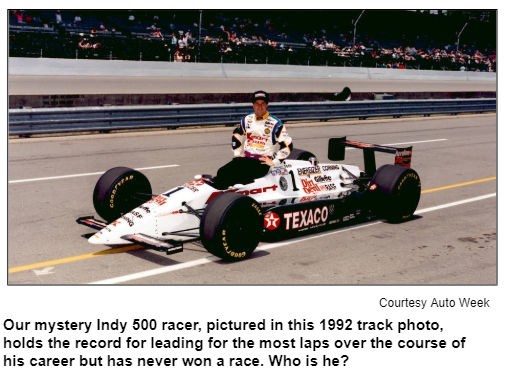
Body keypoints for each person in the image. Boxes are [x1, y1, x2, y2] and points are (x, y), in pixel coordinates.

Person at [212, 90, 293, 190]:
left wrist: (274, 162)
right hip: (246, 158)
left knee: (237, 178)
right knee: (222, 172)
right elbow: (237, 134)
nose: (259, 107)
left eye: (262, 104)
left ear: (267, 105)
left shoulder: (276, 123)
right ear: (253, 105)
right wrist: (237, 153)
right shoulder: (247, 119)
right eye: (257, 104)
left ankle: (232, 201)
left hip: (261, 163)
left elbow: (288, 144)